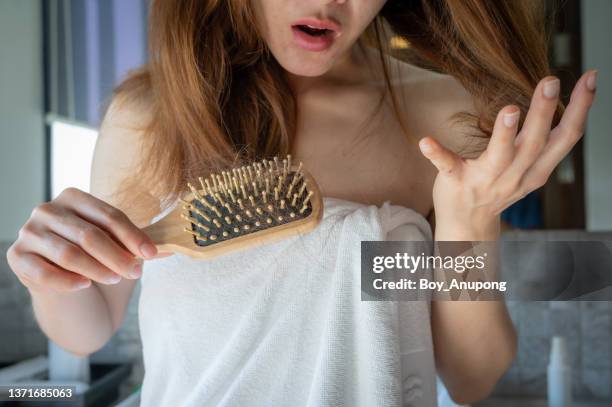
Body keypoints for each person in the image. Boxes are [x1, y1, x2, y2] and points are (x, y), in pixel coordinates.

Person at [6, 0, 597, 405]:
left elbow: (472, 376)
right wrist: (49, 271)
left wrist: (469, 222)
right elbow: (85, 331)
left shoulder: (437, 119)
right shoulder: (153, 115)